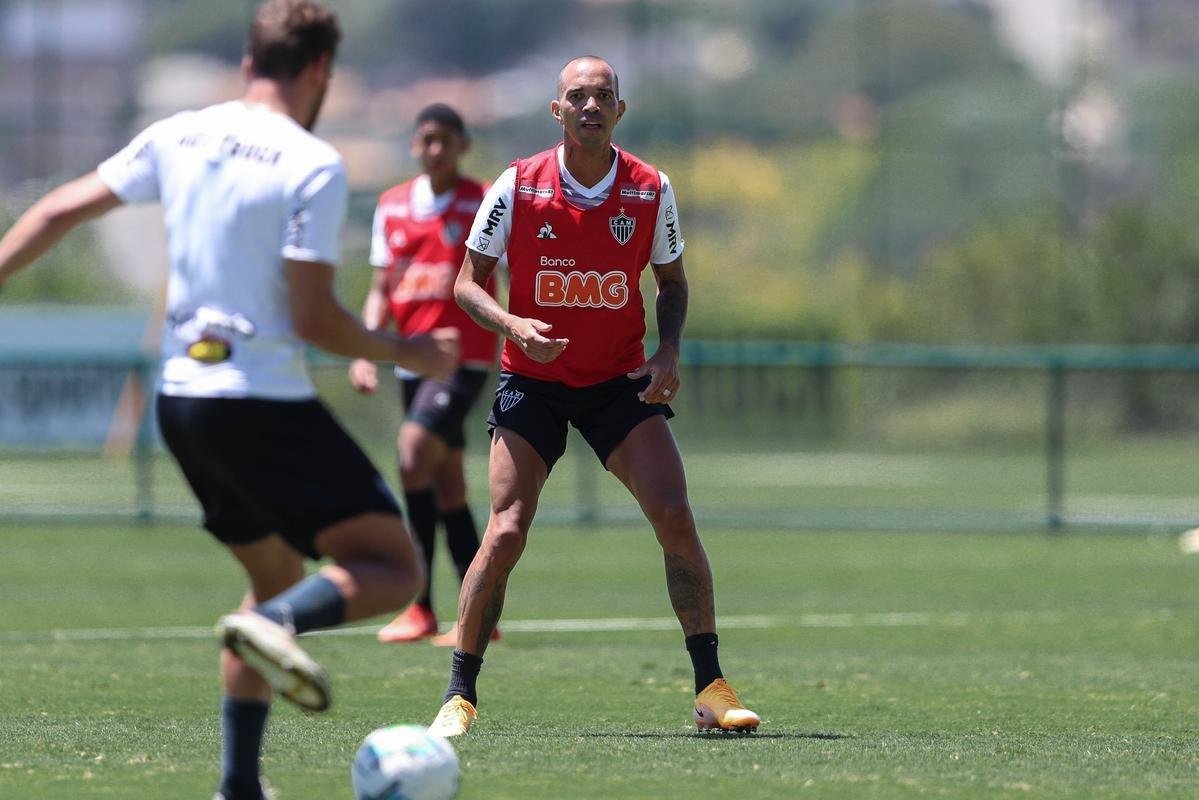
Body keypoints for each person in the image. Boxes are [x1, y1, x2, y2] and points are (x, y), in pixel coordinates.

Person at [0, 2, 459, 798]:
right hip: (259, 403)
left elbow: (53, 210)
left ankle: (238, 787)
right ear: (319, 70)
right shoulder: (310, 161)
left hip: (182, 402)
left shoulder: (180, 132)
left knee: (271, 577)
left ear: (251, 62)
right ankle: (276, 627)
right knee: (390, 566)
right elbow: (316, 320)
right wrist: (406, 351)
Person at [426, 56, 760, 737]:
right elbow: (466, 283)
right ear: (556, 110)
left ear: (619, 109)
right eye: (576, 96)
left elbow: (671, 283)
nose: (589, 106)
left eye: (601, 96)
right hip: (533, 382)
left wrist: (667, 352)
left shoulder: (649, 188)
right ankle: (458, 695)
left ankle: (712, 689)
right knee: (507, 527)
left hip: (616, 382)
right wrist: (513, 323)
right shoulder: (517, 185)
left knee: (674, 513)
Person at [348, 103, 501, 646]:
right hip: (411, 361)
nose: (435, 149)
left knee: (412, 454)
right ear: (415, 145)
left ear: (462, 145)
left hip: (465, 359)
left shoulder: (485, 199)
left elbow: (509, 270)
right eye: (426, 139)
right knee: (447, 484)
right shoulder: (390, 206)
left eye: (446, 140)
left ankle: (418, 603)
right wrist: (365, 350)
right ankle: (476, 614)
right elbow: (379, 289)